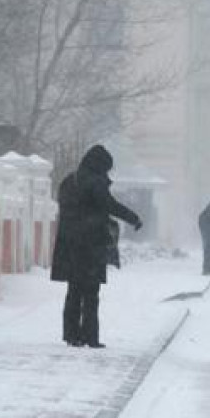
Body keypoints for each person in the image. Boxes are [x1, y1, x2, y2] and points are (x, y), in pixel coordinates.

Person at [51, 145, 143, 348]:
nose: (107, 173)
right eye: (106, 168)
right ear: (100, 165)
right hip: (90, 243)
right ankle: (90, 337)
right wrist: (133, 218)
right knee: (91, 292)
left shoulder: (69, 180)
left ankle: (71, 334)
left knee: (74, 290)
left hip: (70, 243)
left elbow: (65, 208)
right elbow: (110, 205)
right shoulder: (96, 182)